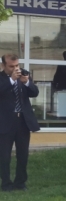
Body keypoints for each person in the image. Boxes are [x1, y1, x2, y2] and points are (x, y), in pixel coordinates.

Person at [0, 54, 40, 192]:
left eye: (17, 65)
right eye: (11, 66)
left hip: (23, 121)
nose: (15, 68)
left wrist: (27, 82)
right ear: (3, 65)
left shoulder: (23, 75)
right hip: (5, 122)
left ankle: (20, 183)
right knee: (4, 156)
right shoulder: (3, 78)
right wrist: (11, 80)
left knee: (23, 154)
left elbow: (34, 93)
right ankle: (6, 184)